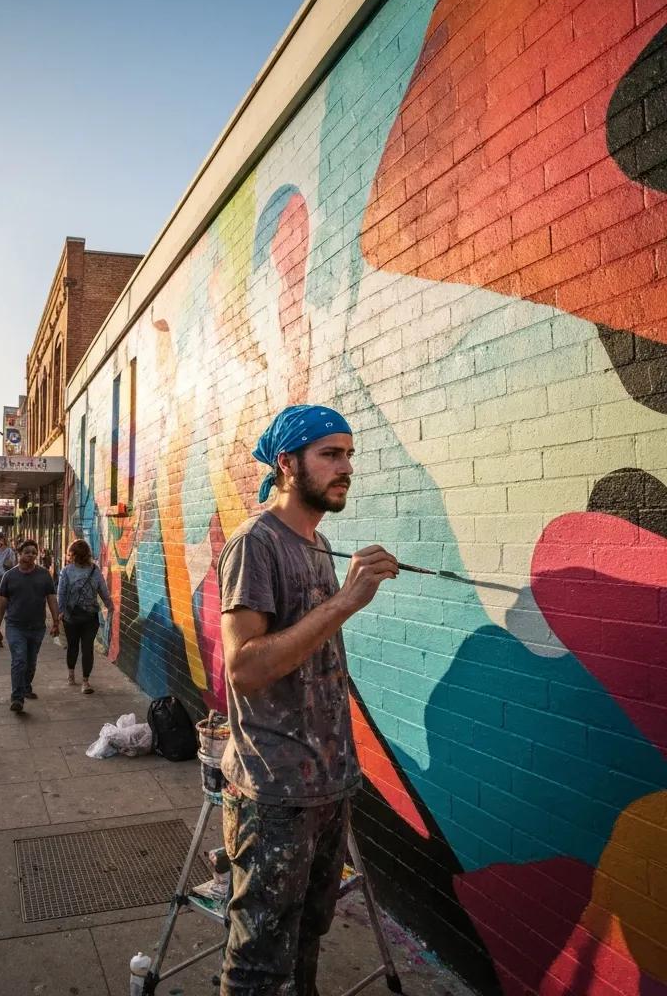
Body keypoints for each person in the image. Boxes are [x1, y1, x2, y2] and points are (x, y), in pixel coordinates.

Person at [216, 405, 399, 995]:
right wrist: (345, 603)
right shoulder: (255, 544)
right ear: (286, 463)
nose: (346, 467)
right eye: (330, 454)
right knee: (258, 966)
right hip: (273, 794)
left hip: (328, 785)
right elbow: (244, 669)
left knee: (306, 945)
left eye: (348, 454)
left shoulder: (318, 543)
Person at [0, 538, 59, 713]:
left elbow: (51, 599)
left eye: (33, 553)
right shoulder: (10, 576)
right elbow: (1, 605)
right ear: (19, 554)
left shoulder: (44, 575)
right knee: (19, 660)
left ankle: (26, 686)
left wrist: (56, 621)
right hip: (15, 626)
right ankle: (17, 698)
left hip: (37, 627)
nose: (30, 555)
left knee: (31, 663)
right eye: (27, 552)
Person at [57, 539, 114, 694]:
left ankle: (76, 677)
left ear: (73, 555)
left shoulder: (68, 571)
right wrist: (110, 606)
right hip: (85, 617)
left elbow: (61, 594)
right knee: (84, 648)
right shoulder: (91, 571)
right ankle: (83, 681)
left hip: (74, 616)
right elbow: (103, 591)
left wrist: (60, 612)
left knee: (76, 647)